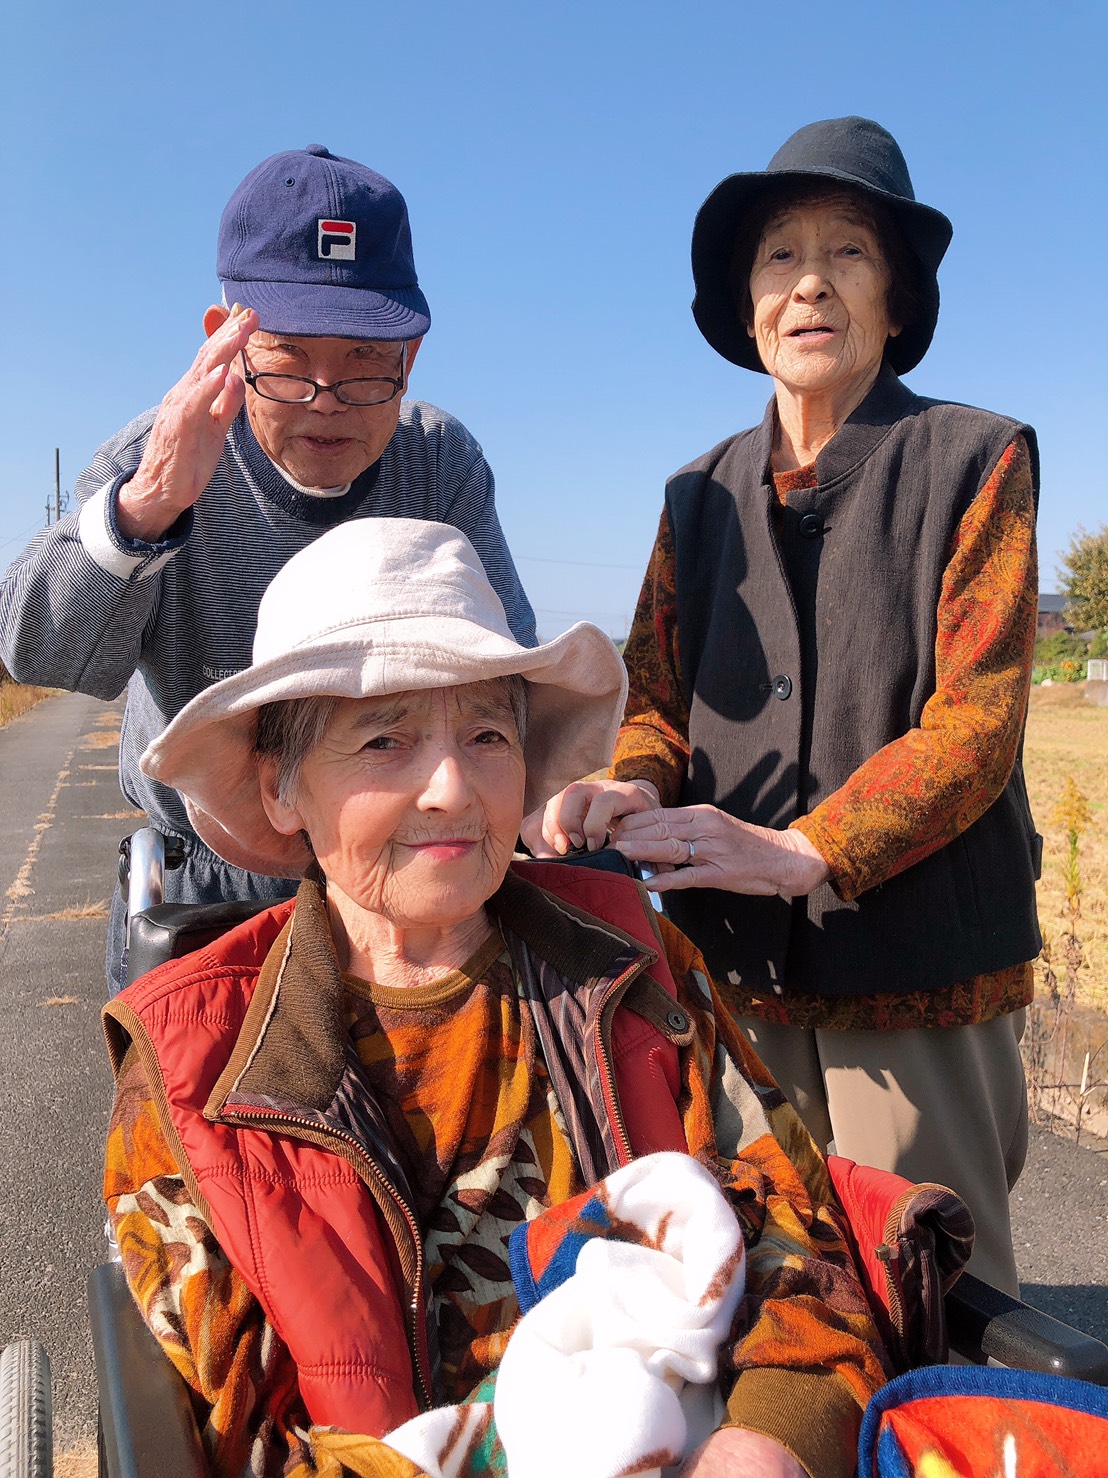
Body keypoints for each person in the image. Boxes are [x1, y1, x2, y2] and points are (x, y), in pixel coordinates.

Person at [103, 518, 886, 1478]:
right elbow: (238, 1439)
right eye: (385, 740)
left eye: (487, 734)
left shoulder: (636, 968)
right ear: (279, 788)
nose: (452, 788)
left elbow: (793, 1230)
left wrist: (769, 1441)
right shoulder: (194, 1071)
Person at [524, 117, 1040, 1295]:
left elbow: (977, 725)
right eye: (778, 258)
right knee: (770, 1279)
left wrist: (808, 848)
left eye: (847, 252)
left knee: (937, 1291)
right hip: (732, 972)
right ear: (750, 307)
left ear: (896, 303)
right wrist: (628, 783)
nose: (807, 281)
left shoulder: (974, 460)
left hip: (914, 974)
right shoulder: (695, 496)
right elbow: (658, 705)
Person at [0, 145, 534, 992]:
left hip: (397, 872)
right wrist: (145, 509)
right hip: (204, 881)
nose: (327, 398)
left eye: (366, 364)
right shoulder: (161, 450)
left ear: (412, 356)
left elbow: (504, 666)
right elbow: (35, 651)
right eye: (288, 359)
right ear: (227, 339)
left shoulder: (437, 460)